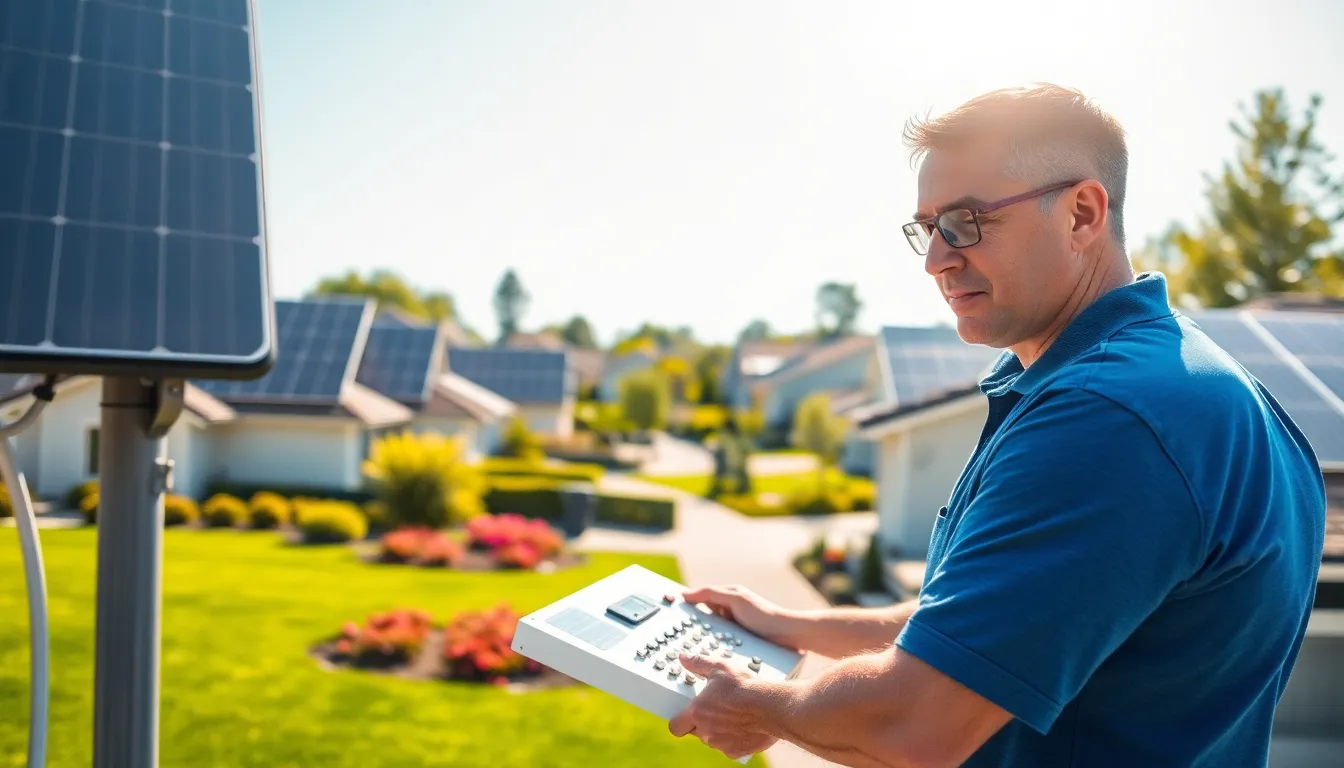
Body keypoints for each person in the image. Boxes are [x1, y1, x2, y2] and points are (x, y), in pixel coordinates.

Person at [667, 84, 1327, 767]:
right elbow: (997, 624)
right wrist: (789, 624)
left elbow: (916, 723)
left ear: (1081, 213)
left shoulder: (1107, 419)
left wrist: (756, 704)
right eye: (927, 229)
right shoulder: (1193, 386)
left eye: (966, 221)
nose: (935, 260)